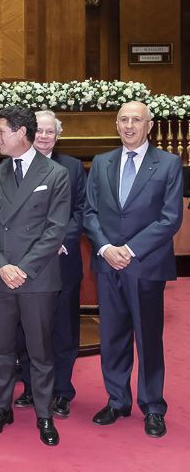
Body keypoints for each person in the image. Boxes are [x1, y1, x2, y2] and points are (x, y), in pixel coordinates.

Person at [84, 101, 183, 439]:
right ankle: (117, 400)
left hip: (146, 265)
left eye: (136, 120)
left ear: (149, 125)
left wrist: (129, 249)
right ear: (116, 124)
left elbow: (170, 219)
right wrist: (106, 248)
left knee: (149, 339)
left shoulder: (169, 163)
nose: (129, 126)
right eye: (123, 119)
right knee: (112, 337)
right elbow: (90, 213)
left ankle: (153, 406)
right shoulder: (101, 162)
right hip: (108, 264)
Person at [0, 105, 70, 446]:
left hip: (38, 276)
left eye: (1, 131)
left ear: (21, 134)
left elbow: (55, 230)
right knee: (0, 349)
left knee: (40, 350)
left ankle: (45, 416)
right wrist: (2, 265)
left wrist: (24, 269)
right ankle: (2, 407)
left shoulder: (55, 174)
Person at [14, 110, 87, 418]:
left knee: (63, 331)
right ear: (30, 133)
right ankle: (31, 387)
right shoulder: (14, 165)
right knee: (26, 331)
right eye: (39, 131)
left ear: (58, 135)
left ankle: (61, 392)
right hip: (25, 266)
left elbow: (81, 211)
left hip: (62, 261)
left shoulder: (72, 167)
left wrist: (57, 242)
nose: (44, 136)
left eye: (50, 132)